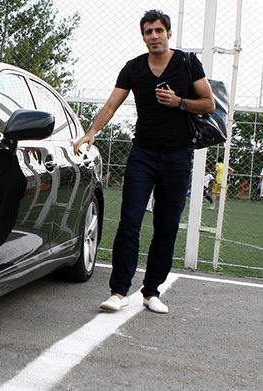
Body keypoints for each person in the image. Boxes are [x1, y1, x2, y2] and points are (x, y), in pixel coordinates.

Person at [73, 10, 215, 314]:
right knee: (130, 221)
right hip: (143, 154)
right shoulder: (133, 68)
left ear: (168, 33)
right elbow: (112, 104)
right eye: (148, 31)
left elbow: (209, 103)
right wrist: (91, 133)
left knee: (166, 225)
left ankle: (152, 291)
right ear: (143, 36)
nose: (154, 36)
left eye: (159, 30)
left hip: (178, 156)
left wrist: (179, 102)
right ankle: (119, 291)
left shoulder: (187, 63)